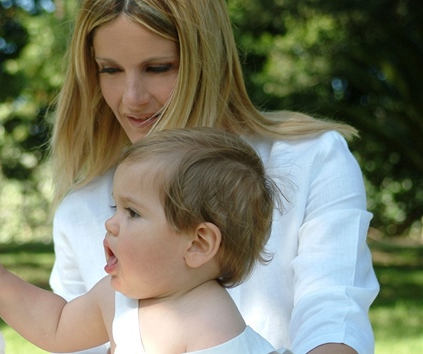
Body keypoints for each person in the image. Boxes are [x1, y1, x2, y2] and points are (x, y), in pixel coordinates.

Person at [47, 1, 379, 353]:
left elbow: (332, 319)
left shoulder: (312, 158)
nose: (131, 98)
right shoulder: (79, 211)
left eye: (158, 68)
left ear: (207, 60)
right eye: (109, 70)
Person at [0, 127, 292, 353]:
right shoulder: (115, 299)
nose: (111, 222)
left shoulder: (210, 324)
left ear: (198, 244)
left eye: (132, 212)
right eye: (115, 207)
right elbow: (56, 325)